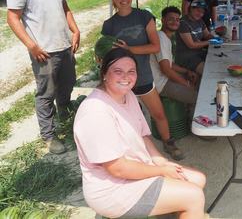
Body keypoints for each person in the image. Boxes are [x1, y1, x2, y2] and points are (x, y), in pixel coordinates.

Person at [74, 48, 207, 219]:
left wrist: (162, 162)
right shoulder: (95, 111)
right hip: (113, 190)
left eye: (131, 72)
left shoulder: (128, 95)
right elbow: (118, 169)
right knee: (193, 196)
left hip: (137, 170)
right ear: (104, 73)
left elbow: (142, 136)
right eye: (118, 71)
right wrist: (160, 171)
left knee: (198, 179)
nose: (126, 77)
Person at [6, 0, 80, 154]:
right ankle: (48, 136)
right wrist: (32, 46)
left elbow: (65, 8)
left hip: (65, 46)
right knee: (46, 93)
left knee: (68, 82)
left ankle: (64, 111)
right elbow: (13, 18)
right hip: (43, 51)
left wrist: (76, 30)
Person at [101, 0, 183, 160]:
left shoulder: (144, 16)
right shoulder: (109, 25)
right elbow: (105, 52)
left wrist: (129, 50)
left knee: (158, 113)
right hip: (120, 80)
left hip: (143, 76)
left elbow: (154, 47)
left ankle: (168, 142)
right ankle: (127, 150)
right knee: (124, 118)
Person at [149, 6, 198, 109]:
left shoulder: (165, 37)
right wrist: (186, 84)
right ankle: (194, 122)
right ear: (163, 20)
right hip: (161, 84)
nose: (175, 22)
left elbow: (170, 64)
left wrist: (186, 71)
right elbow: (166, 69)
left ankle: (188, 112)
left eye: (177, 20)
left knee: (195, 80)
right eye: (171, 19)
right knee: (198, 97)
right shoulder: (161, 38)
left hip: (165, 79)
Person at [176, 0, 213, 76]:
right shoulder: (183, 23)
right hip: (187, 57)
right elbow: (191, 45)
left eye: (202, 12)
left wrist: (215, 38)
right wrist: (210, 42)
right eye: (198, 10)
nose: (200, 14)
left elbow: (207, 35)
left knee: (218, 62)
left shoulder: (200, 21)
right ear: (190, 8)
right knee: (209, 73)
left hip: (199, 53)